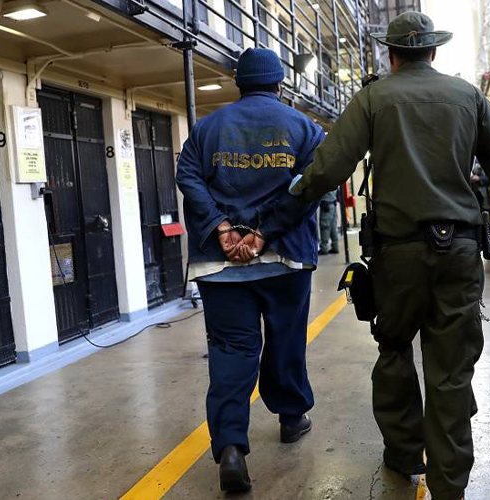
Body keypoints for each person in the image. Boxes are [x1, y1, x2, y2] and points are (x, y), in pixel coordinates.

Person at [289, 11, 490, 500]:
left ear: (391, 54)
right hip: (460, 251)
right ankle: (450, 485)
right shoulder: (469, 97)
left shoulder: (373, 98)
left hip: (398, 255)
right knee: (452, 369)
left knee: (395, 348)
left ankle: (403, 454)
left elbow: (331, 166)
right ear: (434, 51)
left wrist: (296, 194)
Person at [175, 47, 324, 493]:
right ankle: (291, 418)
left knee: (231, 350)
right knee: (286, 338)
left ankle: (230, 447)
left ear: (238, 83)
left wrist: (222, 228)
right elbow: (311, 185)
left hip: (220, 266)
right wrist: (264, 234)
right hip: (285, 259)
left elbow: (188, 177)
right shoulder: (304, 128)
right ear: (280, 83)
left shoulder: (207, 128)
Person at [319, 190, 340, 254]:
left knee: (325, 227)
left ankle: (324, 248)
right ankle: (335, 247)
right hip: (333, 203)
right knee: (333, 227)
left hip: (326, 204)